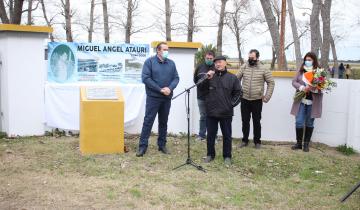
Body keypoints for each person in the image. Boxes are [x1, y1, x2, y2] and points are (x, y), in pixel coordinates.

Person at [136, 42, 179, 157]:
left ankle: (162, 145)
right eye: (164, 49)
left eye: (167, 49)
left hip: (166, 98)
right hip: (153, 98)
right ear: (158, 51)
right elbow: (146, 78)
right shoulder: (149, 62)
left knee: (163, 122)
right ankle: (142, 147)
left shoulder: (171, 63)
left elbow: (176, 78)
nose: (166, 51)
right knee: (148, 121)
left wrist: (169, 88)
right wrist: (160, 89)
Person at [199, 55, 242, 166]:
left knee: (227, 135)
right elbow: (201, 90)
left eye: (220, 62)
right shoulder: (209, 76)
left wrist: (230, 105)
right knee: (211, 135)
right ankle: (210, 155)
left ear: (225, 63)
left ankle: (227, 156)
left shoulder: (232, 78)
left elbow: (239, 93)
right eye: (216, 62)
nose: (218, 64)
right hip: (211, 112)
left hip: (226, 112)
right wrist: (206, 79)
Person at [236, 49, 275, 149]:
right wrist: (238, 92)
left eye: (252, 57)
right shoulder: (244, 66)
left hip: (257, 100)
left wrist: (266, 97)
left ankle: (257, 142)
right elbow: (236, 79)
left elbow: (271, 82)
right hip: (244, 99)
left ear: (257, 57)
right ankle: (245, 140)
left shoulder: (263, 68)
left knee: (256, 121)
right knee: (245, 121)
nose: (250, 59)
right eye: (249, 57)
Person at [290, 52, 323, 152]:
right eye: (306, 60)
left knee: (309, 122)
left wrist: (312, 88)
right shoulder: (301, 71)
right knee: (299, 121)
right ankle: (299, 143)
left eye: (309, 60)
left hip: (312, 103)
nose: (307, 62)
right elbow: (294, 81)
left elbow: (322, 87)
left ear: (314, 61)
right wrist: (302, 87)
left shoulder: (319, 72)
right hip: (301, 101)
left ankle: (306, 144)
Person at [193, 51, 215, 141]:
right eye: (207, 58)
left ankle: (213, 136)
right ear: (204, 58)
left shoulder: (216, 67)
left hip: (213, 96)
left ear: (213, 58)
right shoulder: (199, 67)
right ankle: (202, 135)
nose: (209, 60)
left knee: (213, 116)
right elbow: (195, 80)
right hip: (201, 96)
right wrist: (205, 78)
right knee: (203, 116)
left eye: (211, 58)